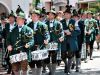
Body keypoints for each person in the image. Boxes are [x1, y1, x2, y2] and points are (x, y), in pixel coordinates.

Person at [27, 10, 50, 75]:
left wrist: (47, 39)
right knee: (31, 62)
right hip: (31, 47)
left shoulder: (43, 25)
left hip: (40, 46)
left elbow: (47, 34)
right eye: (32, 16)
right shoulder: (28, 25)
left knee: (39, 63)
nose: (33, 17)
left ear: (38, 16)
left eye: (35, 16)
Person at [60, 5, 80, 75]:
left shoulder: (74, 22)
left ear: (70, 15)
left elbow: (78, 31)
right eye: (65, 14)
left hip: (71, 41)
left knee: (70, 55)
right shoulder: (61, 22)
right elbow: (58, 31)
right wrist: (62, 32)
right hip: (63, 41)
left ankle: (68, 69)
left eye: (68, 14)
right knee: (63, 56)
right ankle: (66, 65)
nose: (66, 15)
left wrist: (70, 32)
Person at [44, 10, 64, 75]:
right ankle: (51, 70)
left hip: (55, 43)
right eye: (49, 14)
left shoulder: (58, 23)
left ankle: (53, 72)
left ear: (54, 15)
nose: (50, 16)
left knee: (54, 58)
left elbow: (62, 32)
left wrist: (62, 37)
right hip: (47, 43)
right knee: (46, 59)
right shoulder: (45, 24)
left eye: (51, 14)